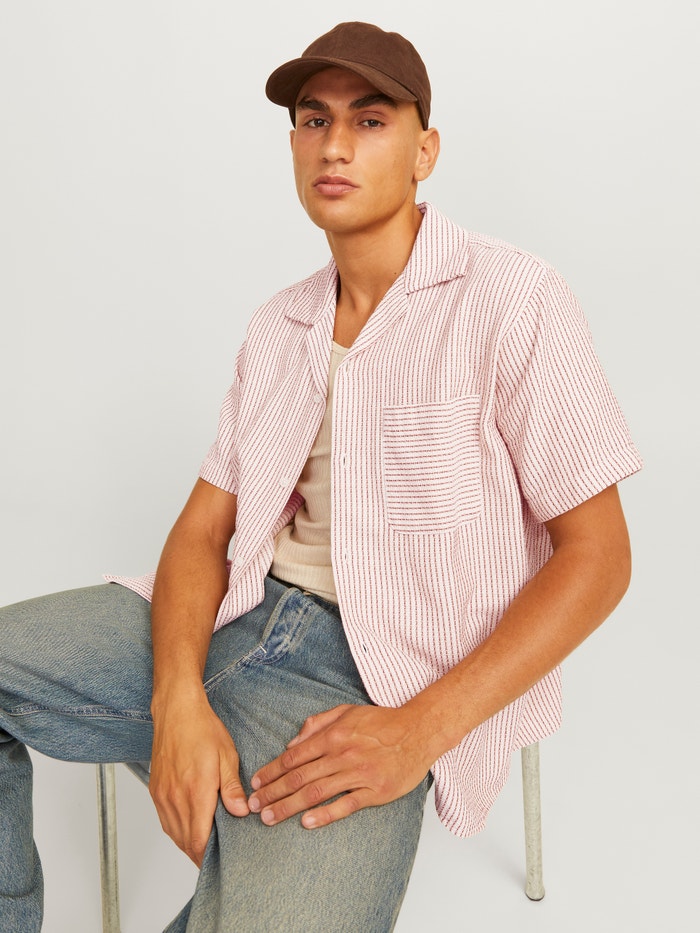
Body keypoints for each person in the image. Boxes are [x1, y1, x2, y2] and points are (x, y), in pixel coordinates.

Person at [0, 20, 642, 933]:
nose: (334, 145)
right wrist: (177, 698)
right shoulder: (279, 326)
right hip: (240, 617)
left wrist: (418, 731)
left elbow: (600, 557)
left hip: (373, 686)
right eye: (313, 119)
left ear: (425, 151)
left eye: (369, 120)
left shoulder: (513, 298)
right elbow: (204, 530)